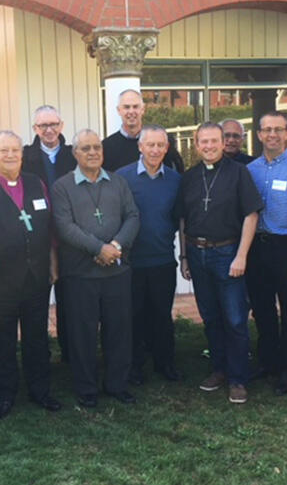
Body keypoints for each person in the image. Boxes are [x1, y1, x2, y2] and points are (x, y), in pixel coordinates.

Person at [0, 130, 62, 420]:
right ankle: (4, 394)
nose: (10, 155)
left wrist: (53, 263)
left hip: (35, 276)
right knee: (0, 339)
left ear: (22, 154)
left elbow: (49, 231)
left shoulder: (36, 184)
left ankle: (40, 390)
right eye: (3, 151)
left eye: (15, 150)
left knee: (36, 336)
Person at [52, 129, 140, 408]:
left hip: (117, 270)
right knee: (82, 332)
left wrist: (115, 246)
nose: (92, 153)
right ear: (75, 153)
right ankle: (86, 388)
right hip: (80, 274)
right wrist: (98, 249)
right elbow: (65, 227)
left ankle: (117, 384)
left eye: (97, 148)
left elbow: (133, 216)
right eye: (86, 148)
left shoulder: (118, 182)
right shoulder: (61, 187)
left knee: (119, 330)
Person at [177, 122, 262, 404]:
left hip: (228, 253)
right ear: (197, 143)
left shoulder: (239, 173)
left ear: (223, 142)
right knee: (211, 317)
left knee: (235, 318)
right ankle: (219, 369)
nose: (210, 146)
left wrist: (242, 255)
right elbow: (183, 219)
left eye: (215, 141)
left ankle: (238, 378)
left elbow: (251, 215)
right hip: (197, 253)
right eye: (204, 141)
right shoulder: (189, 177)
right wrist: (185, 256)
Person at [245, 111, 287, 395]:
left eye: (278, 130)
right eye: (266, 130)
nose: (272, 135)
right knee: (262, 309)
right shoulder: (250, 170)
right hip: (257, 248)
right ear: (258, 134)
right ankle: (267, 362)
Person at [116, 125, 183, 385]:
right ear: (140, 147)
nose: (155, 150)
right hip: (132, 261)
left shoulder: (176, 181)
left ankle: (165, 363)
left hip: (163, 259)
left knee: (162, 315)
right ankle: (134, 366)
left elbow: (181, 219)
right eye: (150, 145)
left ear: (166, 148)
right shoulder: (122, 178)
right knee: (133, 315)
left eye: (160, 145)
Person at [22, 105, 77, 362]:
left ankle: (70, 352)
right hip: (38, 239)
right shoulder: (24, 156)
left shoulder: (73, 155)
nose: (49, 130)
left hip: (71, 237)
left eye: (53, 124)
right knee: (38, 302)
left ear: (61, 125)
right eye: (43, 126)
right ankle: (39, 356)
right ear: (35, 129)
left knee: (69, 300)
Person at [102, 89, 184, 172]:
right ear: (119, 110)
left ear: (143, 109)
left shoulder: (160, 143)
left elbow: (176, 174)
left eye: (135, 107)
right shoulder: (107, 147)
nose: (131, 111)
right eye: (126, 107)